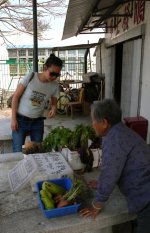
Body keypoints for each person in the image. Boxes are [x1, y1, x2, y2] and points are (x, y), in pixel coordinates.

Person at [80, 99, 150, 233]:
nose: (92, 124)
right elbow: (116, 166)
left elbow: (110, 174)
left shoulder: (114, 139)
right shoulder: (120, 132)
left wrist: (96, 205)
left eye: (93, 120)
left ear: (105, 123)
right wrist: (101, 183)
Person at [11, 54, 63, 152]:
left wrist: (53, 108)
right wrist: (13, 119)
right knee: (17, 152)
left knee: (38, 152)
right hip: (20, 121)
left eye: (57, 74)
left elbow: (54, 102)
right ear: (45, 67)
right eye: (52, 73)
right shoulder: (31, 77)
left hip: (37, 122)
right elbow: (15, 97)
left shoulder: (55, 86)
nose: (54, 77)